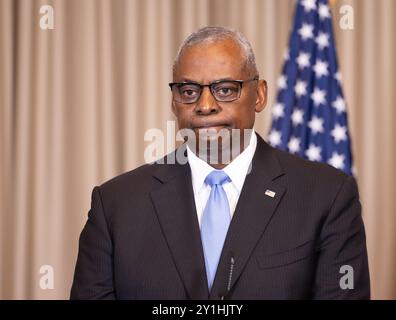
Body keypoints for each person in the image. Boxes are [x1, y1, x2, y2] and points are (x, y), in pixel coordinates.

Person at [70, 26, 370, 299]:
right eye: (188, 91)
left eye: (225, 89)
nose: (204, 106)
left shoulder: (327, 196)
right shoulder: (115, 205)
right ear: (174, 101)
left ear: (259, 95)